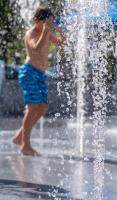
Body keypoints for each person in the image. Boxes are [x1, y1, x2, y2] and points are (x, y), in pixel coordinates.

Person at [11, 5, 65, 156]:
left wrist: (60, 31)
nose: (47, 25)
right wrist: (47, 30)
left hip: (41, 74)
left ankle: (20, 136)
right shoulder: (31, 33)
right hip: (29, 73)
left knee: (42, 107)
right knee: (33, 107)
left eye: (50, 22)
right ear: (36, 20)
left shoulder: (46, 32)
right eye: (45, 22)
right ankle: (25, 145)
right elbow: (36, 48)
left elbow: (61, 42)